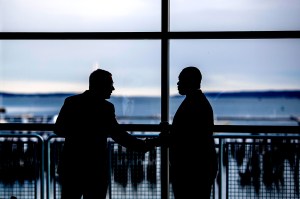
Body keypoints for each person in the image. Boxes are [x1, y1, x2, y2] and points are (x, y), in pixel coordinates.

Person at [54, 69, 150, 199]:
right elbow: (118, 134)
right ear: (100, 85)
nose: (113, 88)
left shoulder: (71, 101)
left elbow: (59, 129)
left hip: (71, 165)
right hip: (95, 168)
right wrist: (142, 145)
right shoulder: (106, 107)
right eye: (110, 84)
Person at [159, 66, 218, 198]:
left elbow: (185, 138)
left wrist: (160, 139)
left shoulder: (194, 104)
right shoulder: (198, 101)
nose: (178, 84)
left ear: (190, 81)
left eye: (180, 80)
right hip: (198, 169)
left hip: (191, 170)